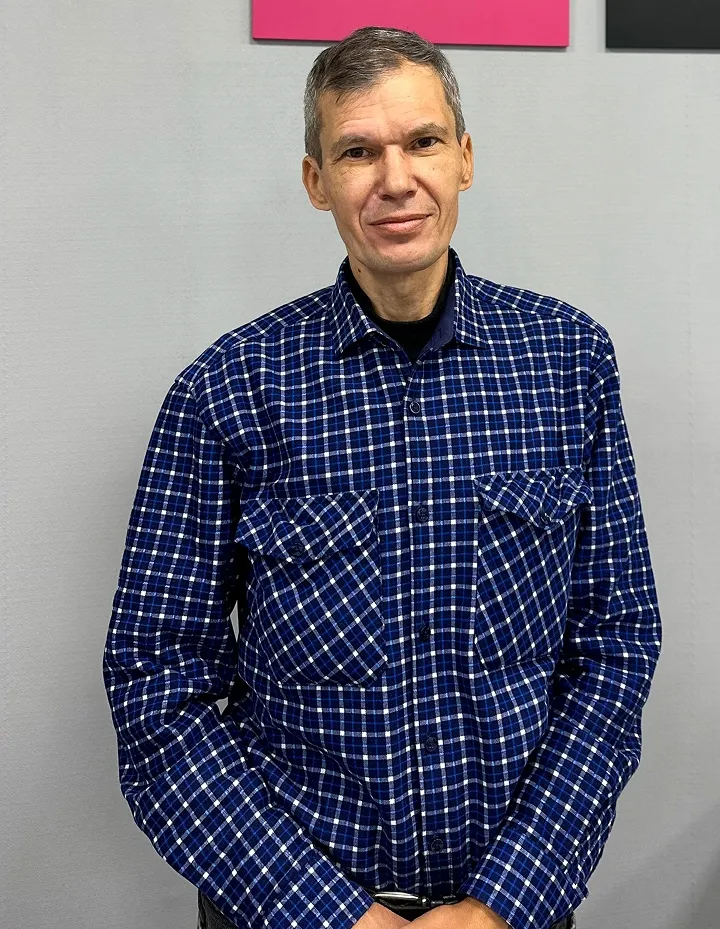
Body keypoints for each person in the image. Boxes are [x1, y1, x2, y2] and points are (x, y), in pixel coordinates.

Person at [102, 25, 662, 929]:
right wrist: (328, 913)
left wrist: (502, 901)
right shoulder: (228, 391)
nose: (395, 179)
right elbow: (158, 684)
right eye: (358, 151)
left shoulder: (568, 362)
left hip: (513, 909)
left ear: (465, 158)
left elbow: (616, 642)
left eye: (423, 141)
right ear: (316, 180)